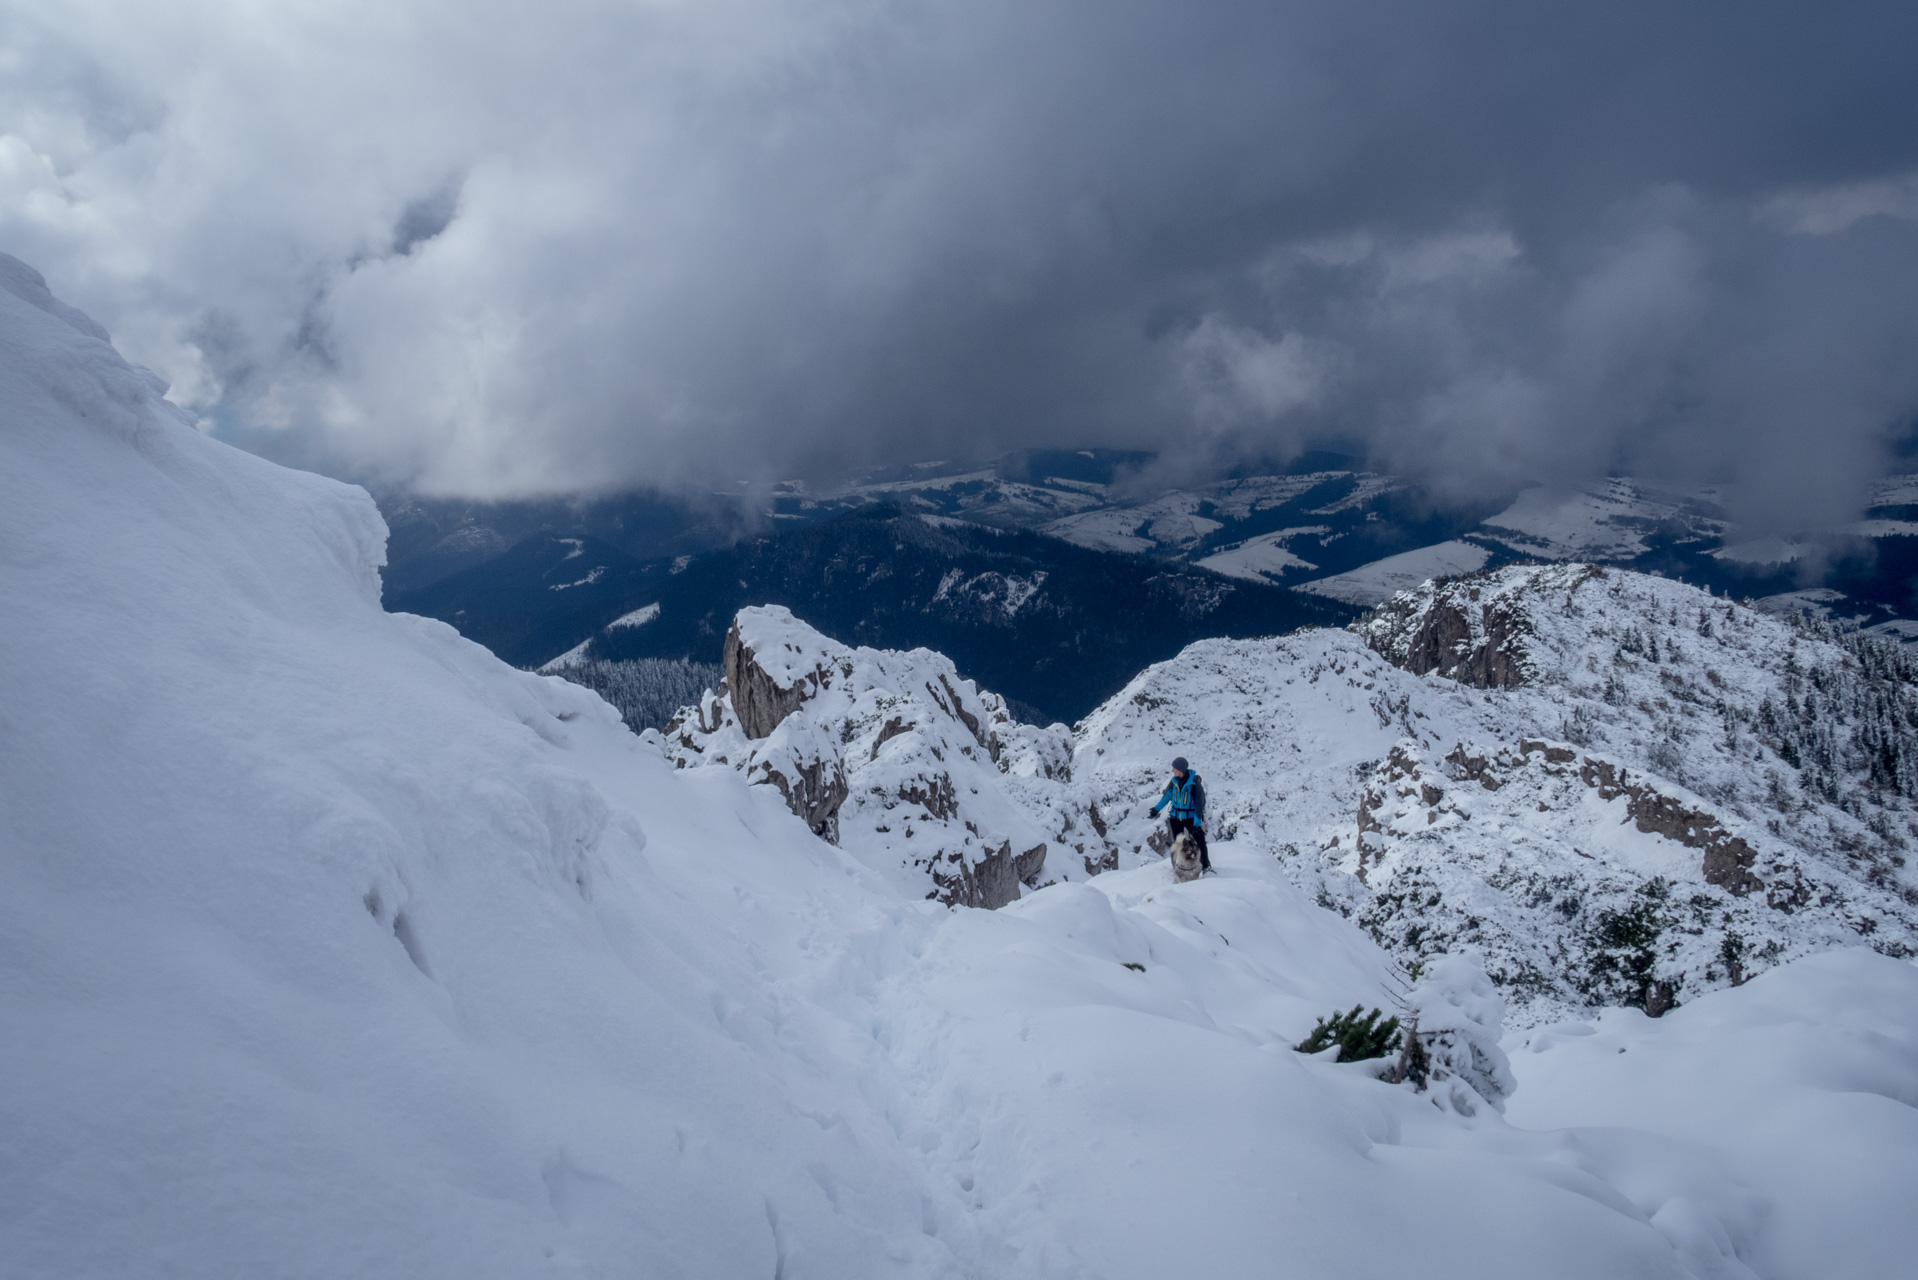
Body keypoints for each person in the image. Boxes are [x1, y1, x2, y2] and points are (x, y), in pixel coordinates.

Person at [1147, 756, 1211, 873]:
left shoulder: (1195, 784)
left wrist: (1197, 824)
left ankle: (1206, 865)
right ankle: (1183, 866)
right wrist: (1156, 809)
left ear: (1181, 770)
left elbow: (1199, 805)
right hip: (1175, 818)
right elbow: (1167, 797)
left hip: (1191, 818)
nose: (1172, 770)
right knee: (1179, 843)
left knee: (1199, 840)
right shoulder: (1174, 782)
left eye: (1174, 768)